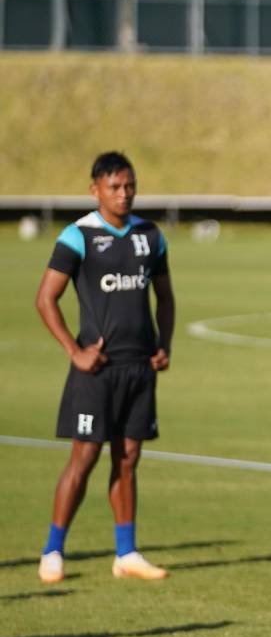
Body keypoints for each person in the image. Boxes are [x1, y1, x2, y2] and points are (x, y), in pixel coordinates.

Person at [35, 151, 174, 584]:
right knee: (85, 456)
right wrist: (74, 352)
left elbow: (165, 298)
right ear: (95, 189)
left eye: (130, 185)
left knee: (128, 457)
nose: (124, 193)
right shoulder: (78, 236)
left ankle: (126, 552)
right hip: (97, 370)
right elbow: (45, 299)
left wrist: (163, 345)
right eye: (115, 186)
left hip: (139, 368)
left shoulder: (150, 236)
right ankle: (53, 549)